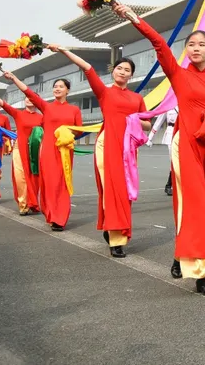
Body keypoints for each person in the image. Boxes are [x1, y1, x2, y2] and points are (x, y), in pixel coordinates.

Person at [113, 1, 205, 297]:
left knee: (195, 204)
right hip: (186, 145)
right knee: (197, 204)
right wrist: (131, 17)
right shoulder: (179, 74)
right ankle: (202, 272)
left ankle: (182, 256)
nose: (195, 48)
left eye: (201, 44)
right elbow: (157, 42)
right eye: (191, 44)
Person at [53, 46, 149, 258]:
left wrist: (136, 121)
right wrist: (64, 51)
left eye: (127, 70)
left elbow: (148, 125)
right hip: (107, 146)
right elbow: (87, 68)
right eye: (119, 68)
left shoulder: (136, 98)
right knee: (113, 190)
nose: (122, 72)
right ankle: (116, 238)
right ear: (113, 71)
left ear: (132, 75)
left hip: (128, 150)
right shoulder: (104, 92)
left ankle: (111, 226)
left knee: (125, 193)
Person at [4, 72, 82, 230]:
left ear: (68, 90)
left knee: (62, 183)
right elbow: (29, 92)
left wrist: (67, 133)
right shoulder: (46, 107)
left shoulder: (74, 110)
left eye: (61, 86)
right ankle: (51, 214)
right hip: (48, 150)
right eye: (55, 87)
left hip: (65, 150)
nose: (57, 89)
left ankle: (60, 217)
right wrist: (14, 79)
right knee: (50, 183)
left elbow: (79, 130)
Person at [0, 87, 43, 215]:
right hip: (19, 149)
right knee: (20, 177)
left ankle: (33, 202)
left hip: (35, 151)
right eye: (27, 97)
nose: (29, 99)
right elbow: (4, 105)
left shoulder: (42, 117)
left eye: (32, 98)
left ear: (38, 101)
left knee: (34, 177)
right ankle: (23, 204)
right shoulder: (18, 114)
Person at [148, 106, 178, 195]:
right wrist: (150, 138)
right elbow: (159, 122)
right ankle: (169, 186)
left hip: (182, 132)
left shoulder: (184, 101)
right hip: (171, 133)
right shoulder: (168, 105)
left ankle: (177, 185)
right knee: (173, 160)